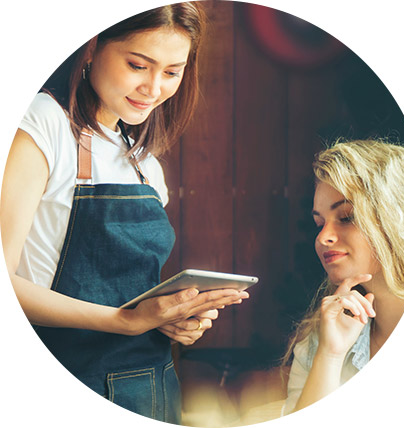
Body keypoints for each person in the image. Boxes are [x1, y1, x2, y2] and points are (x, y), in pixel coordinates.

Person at [0, 2, 249, 423]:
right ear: (92, 47)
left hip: (153, 387)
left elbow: (133, 298)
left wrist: (170, 320)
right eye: (138, 65)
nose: (154, 88)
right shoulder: (44, 123)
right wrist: (124, 321)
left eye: (172, 72)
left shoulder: (146, 166)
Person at [282, 139, 404, 415]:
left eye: (347, 217)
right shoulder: (320, 339)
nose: (323, 237)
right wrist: (330, 355)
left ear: (400, 219)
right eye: (319, 223)